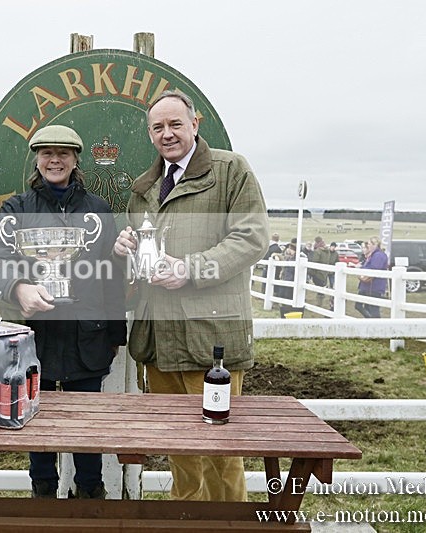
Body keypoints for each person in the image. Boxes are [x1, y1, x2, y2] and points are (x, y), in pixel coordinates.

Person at [113, 90, 269, 501]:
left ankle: (229, 526)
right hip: (160, 339)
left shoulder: (231, 171)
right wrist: (127, 249)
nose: (168, 134)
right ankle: (187, 521)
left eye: (175, 124)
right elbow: (140, 264)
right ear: (150, 134)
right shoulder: (144, 188)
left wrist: (190, 269)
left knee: (221, 450)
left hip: (210, 336)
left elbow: (252, 237)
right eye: (158, 127)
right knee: (179, 448)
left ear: (195, 125)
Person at [0, 125, 126, 499]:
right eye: (47, 153)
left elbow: (112, 276)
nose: (55, 160)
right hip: (36, 335)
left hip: (88, 332)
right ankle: (43, 492)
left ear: (76, 159)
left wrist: (114, 334)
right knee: (37, 419)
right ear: (37, 158)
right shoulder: (16, 209)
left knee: (87, 425)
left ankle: (90, 493)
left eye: (63, 153)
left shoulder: (97, 210)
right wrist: (17, 288)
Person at [354, 236, 389, 318]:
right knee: (367, 307)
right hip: (369, 286)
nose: (368, 246)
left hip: (374, 286)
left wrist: (360, 268)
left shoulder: (379, 255)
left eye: (369, 244)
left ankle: (376, 326)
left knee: (374, 309)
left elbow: (374, 268)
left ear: (374, 245)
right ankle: (370, 324)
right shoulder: (373, 255)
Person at [309, 236, 331, 306]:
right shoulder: (327, 251)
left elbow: (315, 262)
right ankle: (320, 302)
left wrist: (311, 272)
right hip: (324, 273)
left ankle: (319, 303)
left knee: (319, 289)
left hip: (318, 273)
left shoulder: (318, 251)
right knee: (321, 287)